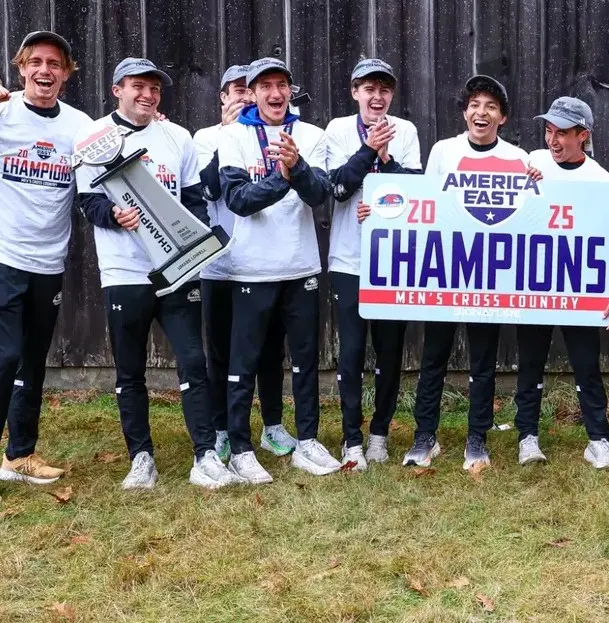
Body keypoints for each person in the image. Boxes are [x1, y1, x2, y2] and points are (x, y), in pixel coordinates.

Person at [76, 58, 238, 489]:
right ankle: (141, 459)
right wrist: (114, 213)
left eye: (154, 89)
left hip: (176, 272)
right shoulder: (93, 139)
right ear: (117, 90)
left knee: (192, 361)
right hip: (124, 274)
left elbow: (192, 197)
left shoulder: (177, 136)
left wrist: (195, 239)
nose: (147, 95)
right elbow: (88, 203)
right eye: (138, 87)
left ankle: (204, 456)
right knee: (130, 370)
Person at [218, 57, 337, 484]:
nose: (275, 93)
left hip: (301, 265)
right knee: (243, 364)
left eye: (282, 84)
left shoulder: (312, 134)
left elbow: (321, 194)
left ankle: (308, 440)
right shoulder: (232, 137)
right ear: (251, 92)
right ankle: (241, 448)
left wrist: (298, 167)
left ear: (290, 88)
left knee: (305, 361)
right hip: (249, 268)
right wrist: (283, 177)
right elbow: (238, 200)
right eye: (265, 85)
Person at [401, 74, 529, 471]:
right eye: (475, 104)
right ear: (464, 113)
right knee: (433, 357)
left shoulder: (518, 159)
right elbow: (424, 206)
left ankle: (477, 439)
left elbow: (529, 215)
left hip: (491, 277)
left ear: (502, 118)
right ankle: (425, 437)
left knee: (483, 361)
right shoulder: (443, 151)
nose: (482, 112)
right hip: (446, 271)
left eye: (491, 106)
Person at [512, 96, 609, 469]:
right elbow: (505, 223)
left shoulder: (599, 179)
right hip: (534, 283)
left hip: (580, 286)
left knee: (586, 365)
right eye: (549, 130)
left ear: (584, 135)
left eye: (562, 132)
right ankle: (527, 437)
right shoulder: (531, 162)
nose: (553, 140)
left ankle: (598, 439)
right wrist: (523, 188)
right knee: (530, 363)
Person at [0, 31, 90, 485]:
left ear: (67, 73)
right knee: (5, 354)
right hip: (4, 257)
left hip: (49, 262)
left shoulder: (79, 125)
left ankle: (20, 456)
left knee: (33, 359)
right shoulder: (3, 113)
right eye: (35, 61)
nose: (44, 70)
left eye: (55, 63)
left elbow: (114, 158)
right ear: (20, 68)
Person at [194, 64, 294, 462]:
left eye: (246, 91)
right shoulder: (204, 137)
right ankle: (220, 429)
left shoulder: (266, 135)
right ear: (221, 97)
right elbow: (207, 188)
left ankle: (272, 425)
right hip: (219, 263)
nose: (243, 98)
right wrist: (225, 137)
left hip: (262, 262)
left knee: (269, 349)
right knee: (219, 351)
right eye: (234, 91)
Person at [326, 58, 421, 469]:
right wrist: (368, 151)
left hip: (391, 262)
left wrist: (384, 168)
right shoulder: (336, 130)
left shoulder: (409, 132)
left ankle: (379, 433)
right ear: (354, 92)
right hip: (348, 259)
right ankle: (351, 441)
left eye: (384, 90)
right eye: (369, 89)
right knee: (350, 354)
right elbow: (339, 188)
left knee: (388, 352)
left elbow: (415, 193)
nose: (377, 97)